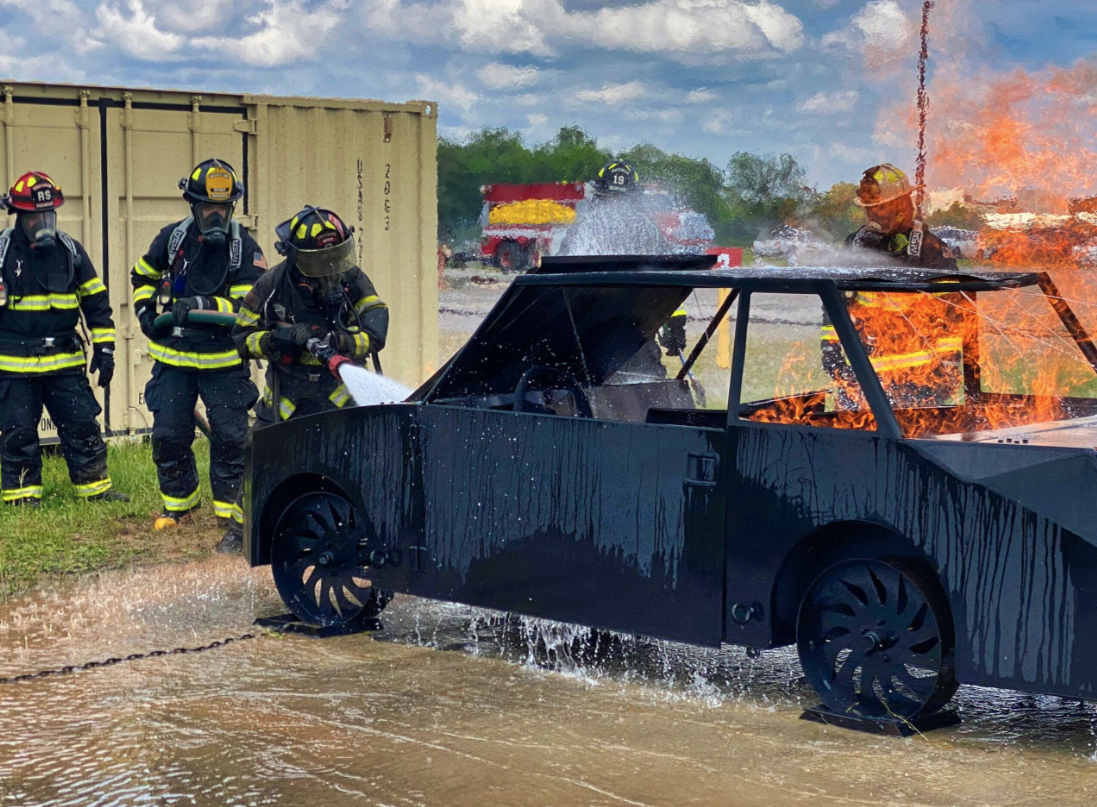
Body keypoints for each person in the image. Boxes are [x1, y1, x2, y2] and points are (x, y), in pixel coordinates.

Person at [227, 206, 387, 552]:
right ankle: (238, 533)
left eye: (336, 255)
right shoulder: (272, 284)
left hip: (341, 394)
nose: (330, 268)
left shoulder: (352, 279)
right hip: (289, 393)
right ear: (296, 257)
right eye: (319, 260)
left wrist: (341, 342)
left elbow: (376, 333)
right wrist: (279, 340)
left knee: (353, 463)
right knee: (262, 460)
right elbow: (242, 338)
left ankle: (359, 528)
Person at [130, 158, 265, 541]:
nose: (217, 214)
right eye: (209, 207)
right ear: (194, 205)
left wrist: (201, 307)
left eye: (223, 207)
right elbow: (143, 274)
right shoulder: (172, 240)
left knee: (231, 437)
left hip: (223, 363)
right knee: (169, 434)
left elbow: (246, 310)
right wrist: (145, 311)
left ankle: (230, 511)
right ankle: (179, 503)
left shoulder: (245, 249)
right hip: (174, 359)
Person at [0, 171, 127, 505]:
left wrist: (106, 347)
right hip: (14, 367)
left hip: (65, 363)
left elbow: (96, 302)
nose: (44, 223)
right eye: (35, 217)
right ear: (19, 217)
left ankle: (95, 490)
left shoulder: (70, 250)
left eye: (49, 215)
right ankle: (22, 496)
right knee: (19, 433)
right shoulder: (2, 254)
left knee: (82, 425)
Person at [822, 163, 963, 409]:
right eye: (869, 209)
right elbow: (834, 307)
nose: (873, 215)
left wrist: (947, 370)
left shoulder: (930, 250)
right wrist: (833, 358)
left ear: (901, 205)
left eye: (881, 207)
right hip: (861, 381)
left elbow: (952, 314)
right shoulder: (854, 245)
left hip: (920, 384)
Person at [557, 160, 687, 381]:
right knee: (644, 386)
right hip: (633, 332)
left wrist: (675, 321)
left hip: (597, 332)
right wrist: (674, 321)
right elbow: (667, 281)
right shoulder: (649, 231)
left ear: (597, 194)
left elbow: (558, 282)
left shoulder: (583, 230)